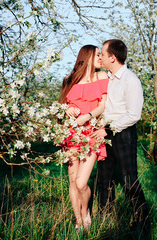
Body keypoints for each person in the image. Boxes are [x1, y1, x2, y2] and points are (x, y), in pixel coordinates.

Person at [90, 39, 148, 228]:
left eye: (103, 54)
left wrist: (107, 129)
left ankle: (142, 221)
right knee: (103, 179)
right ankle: (106, 219)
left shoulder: (131, 80)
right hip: (104, 132)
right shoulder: (106, 78)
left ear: (112, 58)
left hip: (123, 133)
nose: (101, 57)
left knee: (128, 179)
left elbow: (134, 114)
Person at [59, 45, 109, 230]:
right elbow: (62, 108)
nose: (101, 58)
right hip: (72, 133)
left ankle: (86, 212)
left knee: (81, 183)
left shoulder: (101, 76)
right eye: (97, 54)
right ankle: (79, 222)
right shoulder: (69, 80)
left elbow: (103, 105)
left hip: (92, 133)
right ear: (87, 56)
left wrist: (87, 116)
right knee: (72, 181)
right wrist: (68, 110)